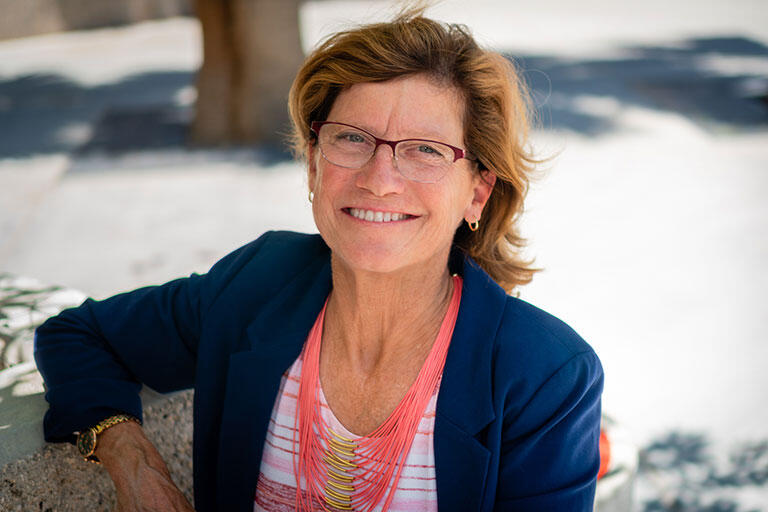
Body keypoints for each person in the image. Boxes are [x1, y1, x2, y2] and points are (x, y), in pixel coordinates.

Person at [35, 10, 603, 512]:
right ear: (313, 164)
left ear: (476, 193)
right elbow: (78, 336)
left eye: (426, 150)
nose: (380, 179)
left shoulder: (546, 376)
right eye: (352, 139)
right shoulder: (256, 283)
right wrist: (136, 466)